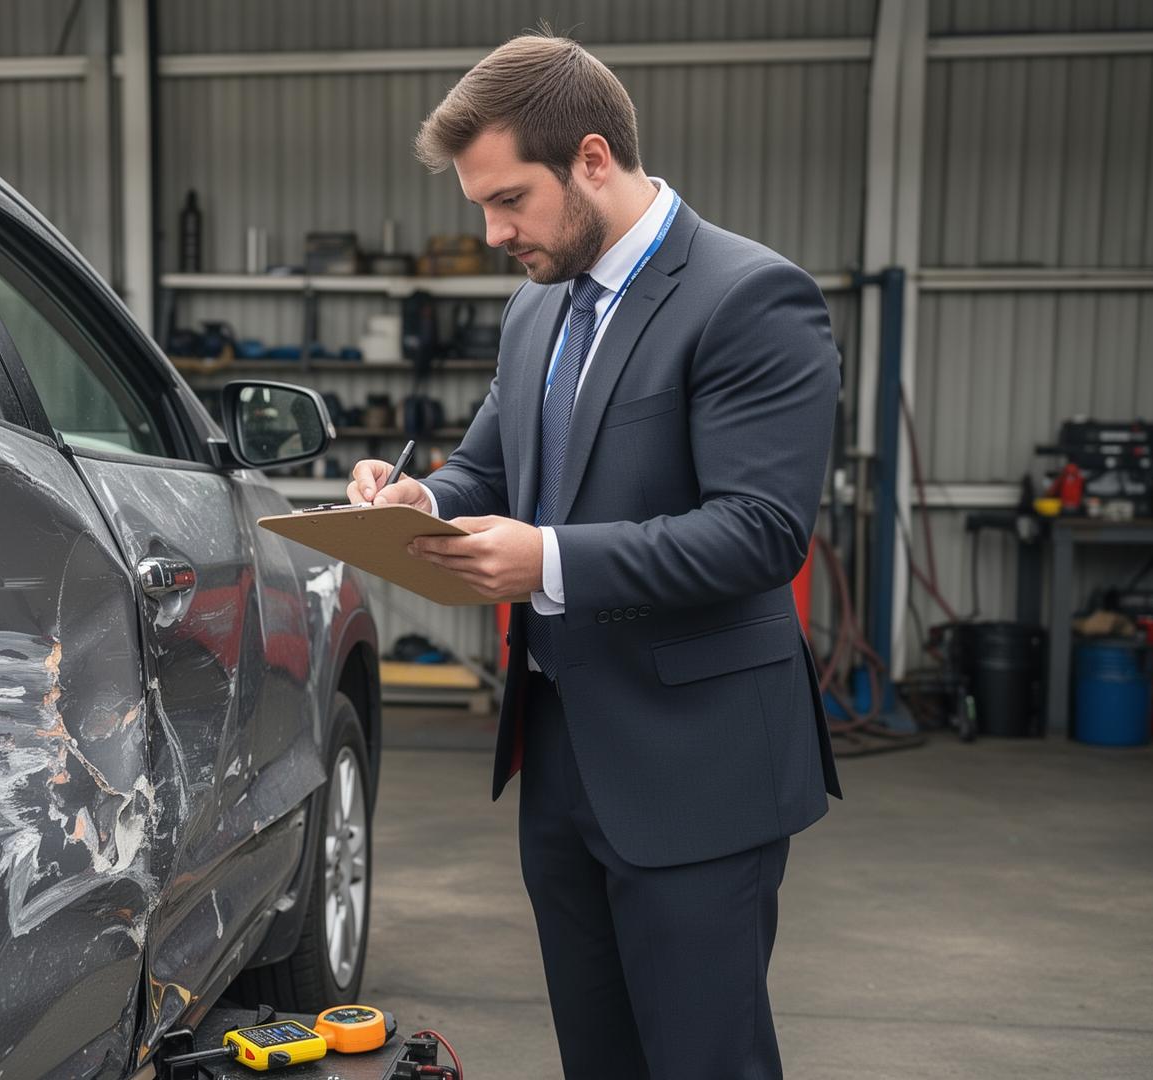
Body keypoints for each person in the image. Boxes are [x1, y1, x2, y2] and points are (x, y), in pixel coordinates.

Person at [346, 31, 841, 1080]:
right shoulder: (536, 310)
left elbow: (760, 530)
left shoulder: (751, 298)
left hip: (698, 765)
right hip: (564, 753)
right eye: (481, 205)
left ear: (592, 159)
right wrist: (415, 496)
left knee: (703, 1061)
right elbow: (491, 469)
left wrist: (550, 564)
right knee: (598, 1058)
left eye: (510, 199)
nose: (492, 232)